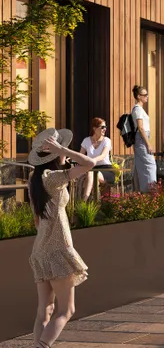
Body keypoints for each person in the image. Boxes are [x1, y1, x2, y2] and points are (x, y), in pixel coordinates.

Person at [27, 128, 96, 348]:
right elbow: (89, 164)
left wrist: (61, 154)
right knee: (66, 310)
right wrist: (63, 149)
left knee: (44, 311)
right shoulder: (54, 179)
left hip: (40, 248)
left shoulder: (35, 179)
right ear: (54, 154)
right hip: (58, 247)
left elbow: (37, 219)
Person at [129, 85, 157, 193]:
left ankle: (138, 192)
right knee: (150, 165)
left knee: (139, 166)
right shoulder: (138, 109)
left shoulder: (139, 109)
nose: (147, 97)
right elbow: (140, 128)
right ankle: (151, 193)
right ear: (138, 96)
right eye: (145, 95)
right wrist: (148, 144)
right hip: (142, 139)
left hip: (141, 139)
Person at [79, 118, 116, 201]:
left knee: (91, 173)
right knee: (90, 173)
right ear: (94, 128)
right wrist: (72, 157)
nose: (105, 129)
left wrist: (92, 160)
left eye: (105, 127)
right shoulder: (86, 141)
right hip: (91, 169)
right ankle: (88, 202)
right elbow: (80, 155)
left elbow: (103, 155)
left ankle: (84, 202)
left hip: (106, 169)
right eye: (102, 127)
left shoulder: (107, 140)